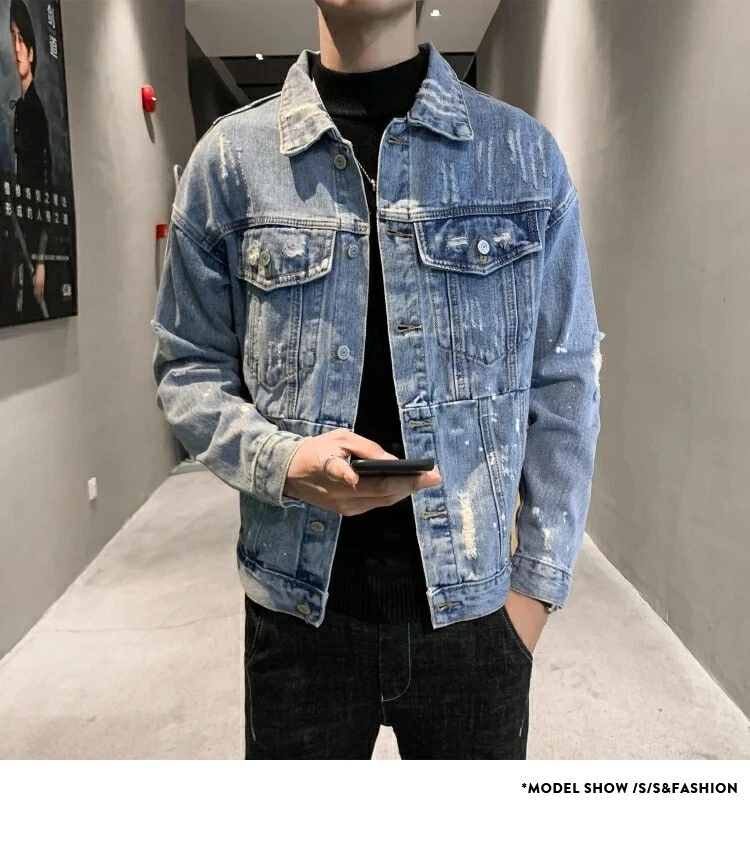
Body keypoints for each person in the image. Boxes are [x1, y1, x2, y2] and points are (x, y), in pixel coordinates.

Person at [153, 0, 603, 759]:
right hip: (299, 619)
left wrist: (533, 593)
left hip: (475, 617)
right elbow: (188, 367)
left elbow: (565, 380)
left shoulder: (522, 157)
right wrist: (283, 463)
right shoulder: (230, 163)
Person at [8, 0, 51, 322]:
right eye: (12, 38)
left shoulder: (34, 111)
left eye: (21, 39)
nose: (16, 48)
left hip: (35, 237)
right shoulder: (21, 109)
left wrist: (41, 260)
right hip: (23, 233)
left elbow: (46, 185)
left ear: (33, 52)